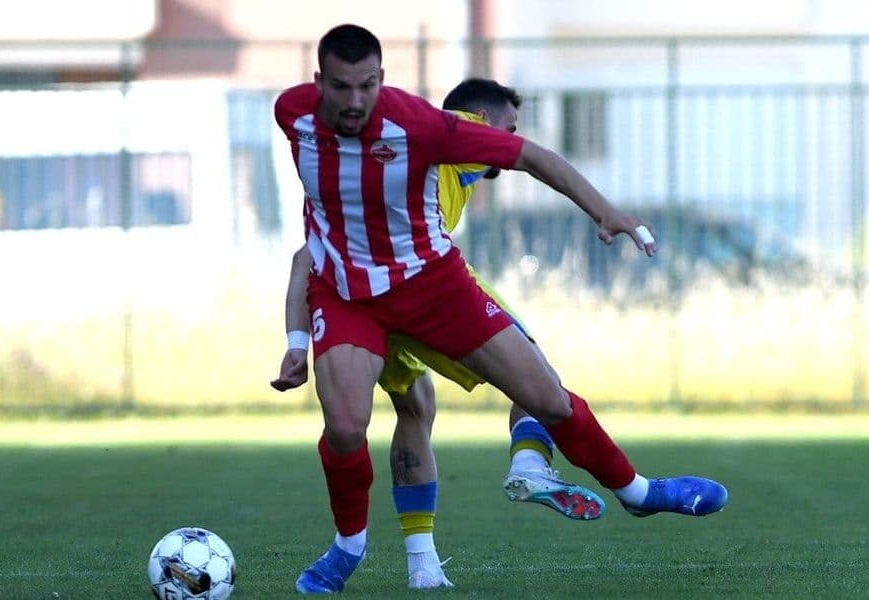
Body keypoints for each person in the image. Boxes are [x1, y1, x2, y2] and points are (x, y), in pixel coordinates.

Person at [273, 24, 728, 595]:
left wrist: (604, 211)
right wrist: (296, 341)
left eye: (367, 86)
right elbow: (307, 251)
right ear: (320, 83)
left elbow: (529, 156)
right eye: (342, 87)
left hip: (433, 289)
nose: (355, 101)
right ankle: (348, 546)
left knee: (546, 397)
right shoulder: (292, 114)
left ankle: (637, 492)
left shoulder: (424, 127)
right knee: (345, 427)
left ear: (381, 80)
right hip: (347, 298)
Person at [273, 78, 608, 589]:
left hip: (368, 297)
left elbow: (307, 256)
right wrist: (604, 210)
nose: (506, 139)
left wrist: (297, 344)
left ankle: (421, 565)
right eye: (507, 126)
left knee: (414, 406)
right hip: (423, 288)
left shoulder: (389, 162)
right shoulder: (458, 135)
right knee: (536, 374)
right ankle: (529, 463)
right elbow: (527, 156)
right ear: (480, 119)